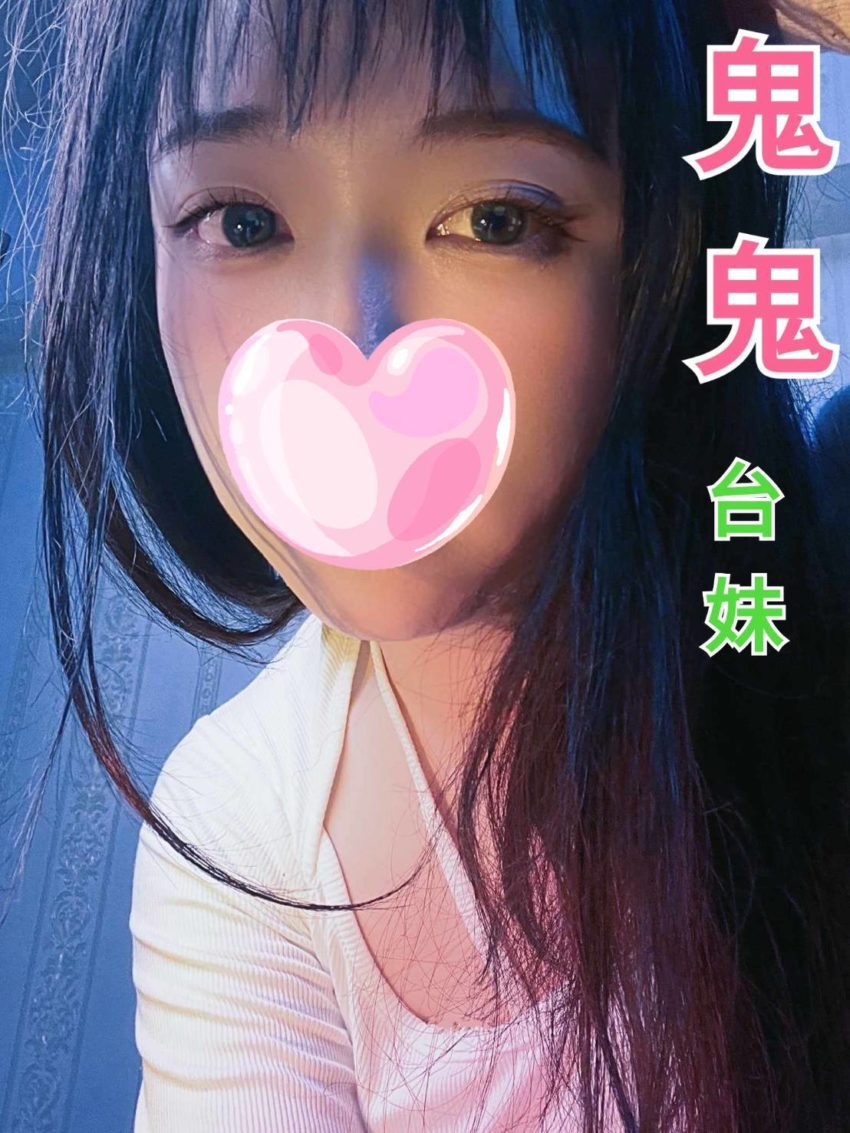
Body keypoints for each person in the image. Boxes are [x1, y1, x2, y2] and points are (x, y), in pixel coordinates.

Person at [7, 0, 850, 1129]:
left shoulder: (811, 547)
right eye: (243, 221)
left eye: (496, 219)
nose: (355, 350)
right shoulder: (240, 825)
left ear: (664, 243)